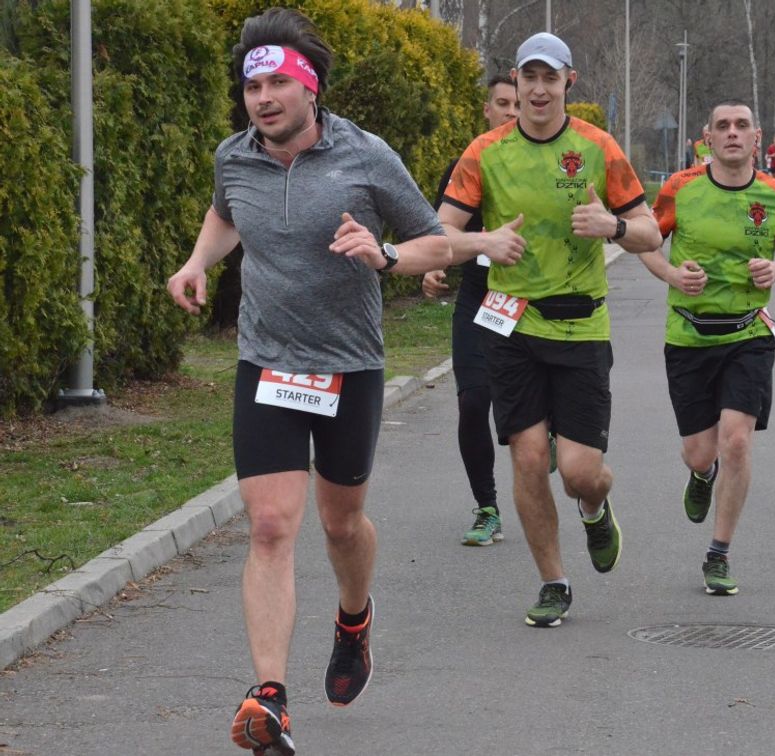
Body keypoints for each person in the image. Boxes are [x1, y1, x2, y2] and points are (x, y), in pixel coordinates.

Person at [166, 9, 450, 753]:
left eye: (276, 84)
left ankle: (354, 619)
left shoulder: (366, 156)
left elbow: (433, 241)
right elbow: (226, 213)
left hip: (348, 366)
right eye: (251, 85)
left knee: (340, 523)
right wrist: (200, 261)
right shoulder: (236, 157)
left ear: (310, 89)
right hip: (266, 363)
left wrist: (383, 255)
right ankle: (269, 697)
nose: (261, 98)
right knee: (268, 525)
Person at [438, 32, 662, 628]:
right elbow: (444, 228)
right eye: (528, 78)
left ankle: (595, 506)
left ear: (570, 82)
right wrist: (465, 249)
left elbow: (650, 233)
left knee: (581, 471)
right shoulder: (485, 152)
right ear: (516, 81)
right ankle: (553, 582)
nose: (538, 90)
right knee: (530, 457)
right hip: (509, 326)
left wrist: (610, 225)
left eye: (550, 78)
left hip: (581, 325)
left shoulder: (598, 147)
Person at [638, 100, 775, 595]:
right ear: (707, 137)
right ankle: (701, 473)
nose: (733, 133)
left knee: (737, 439)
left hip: (748, 333)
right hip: (688, 335)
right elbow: (646, 240)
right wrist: (670, 272)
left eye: (742, 125)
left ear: (758, 137)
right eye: (723, 127)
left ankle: (719, 552)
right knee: (699, 453)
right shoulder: (679, 188)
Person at [421, 75, 520, 547]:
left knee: (527, 416)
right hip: (480, 296)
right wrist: (432, 269)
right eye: (503, 104)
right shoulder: (466, 166)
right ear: (487, 110)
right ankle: (487, 507)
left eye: (519, 104)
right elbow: (440, 234)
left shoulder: (553, 169)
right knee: (473, 402)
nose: (511, 112)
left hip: (536, 301)